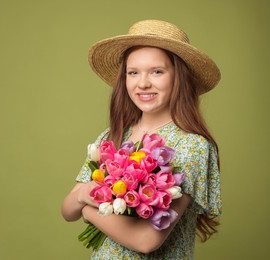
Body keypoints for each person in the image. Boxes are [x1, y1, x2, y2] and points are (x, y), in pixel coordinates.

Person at [61, 20, 222, 259]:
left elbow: (146, 240)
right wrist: (84, 194)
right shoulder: (113, 135)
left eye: (157, 71)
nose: (143, 83)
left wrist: (89, 210)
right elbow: (67, 210)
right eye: (133, 72)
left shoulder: (191, 146)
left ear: (179, 77)